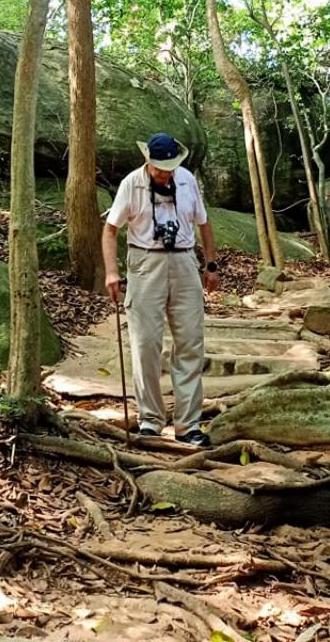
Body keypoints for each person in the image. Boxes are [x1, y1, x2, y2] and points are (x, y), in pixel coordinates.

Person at [102, 132, 219, 447]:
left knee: (191, 343)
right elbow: (110, 230)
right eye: (159, 169)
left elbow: (204, 224)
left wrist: (211, 265)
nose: (165, 174)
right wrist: (112, 273)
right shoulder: (131, 184)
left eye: (170, 169)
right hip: (145, 264)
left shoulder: (186, 181)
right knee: (146, 344)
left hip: (184, 263)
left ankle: (189, 425)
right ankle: (150, 420)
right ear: (147, 162)